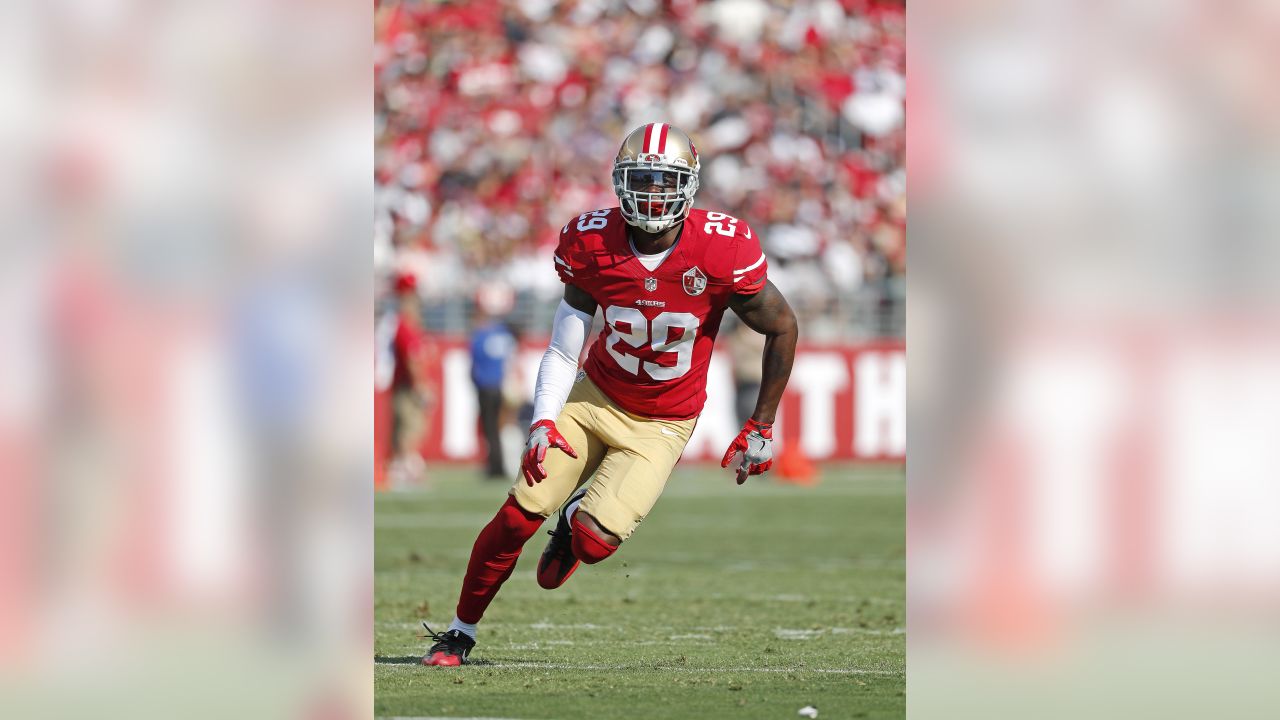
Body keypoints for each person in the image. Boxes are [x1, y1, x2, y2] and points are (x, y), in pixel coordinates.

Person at [422, 123, 798, 666]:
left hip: (663, 422)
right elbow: (562, 344)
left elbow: (782, 326)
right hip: (595, 395)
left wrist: (761, 424)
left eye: (663, 180)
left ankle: (576, 521)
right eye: (639, 179)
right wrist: (543, 421)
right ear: (619, 182)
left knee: (595, 544)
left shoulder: (720, 246)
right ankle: (459, 632)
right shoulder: (591, 241)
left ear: (688, 187)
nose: (650, 193)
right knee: (516, 515)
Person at [387, 272, 435, 489]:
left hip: (406, 384)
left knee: (411, 427)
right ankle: (404, 468)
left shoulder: (409, 325)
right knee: (410, 427)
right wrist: (421, 386)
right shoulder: (404, 326)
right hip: (407, 386)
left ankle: (404, 466)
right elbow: (412, 359)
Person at [468, 292, 516, 479]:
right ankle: (502, 463)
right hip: (502, 384)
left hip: (487, 386)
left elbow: (475, 364)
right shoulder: (504, 333)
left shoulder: (480, 335)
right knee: (501, 425)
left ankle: (495, 465)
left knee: (490, 426)